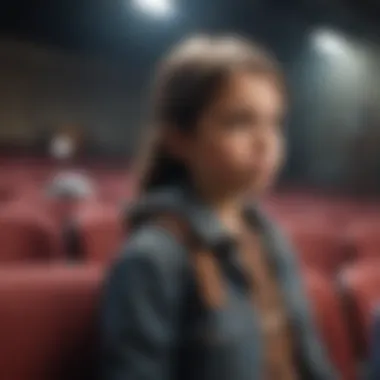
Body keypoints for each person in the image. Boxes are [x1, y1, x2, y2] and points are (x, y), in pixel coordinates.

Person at [100, 35, 337, 380]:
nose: (266, 142)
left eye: (274, 122)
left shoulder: (272, 239)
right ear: (178, 140)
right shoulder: (152, 259)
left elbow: (310, 359)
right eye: (240, 122)